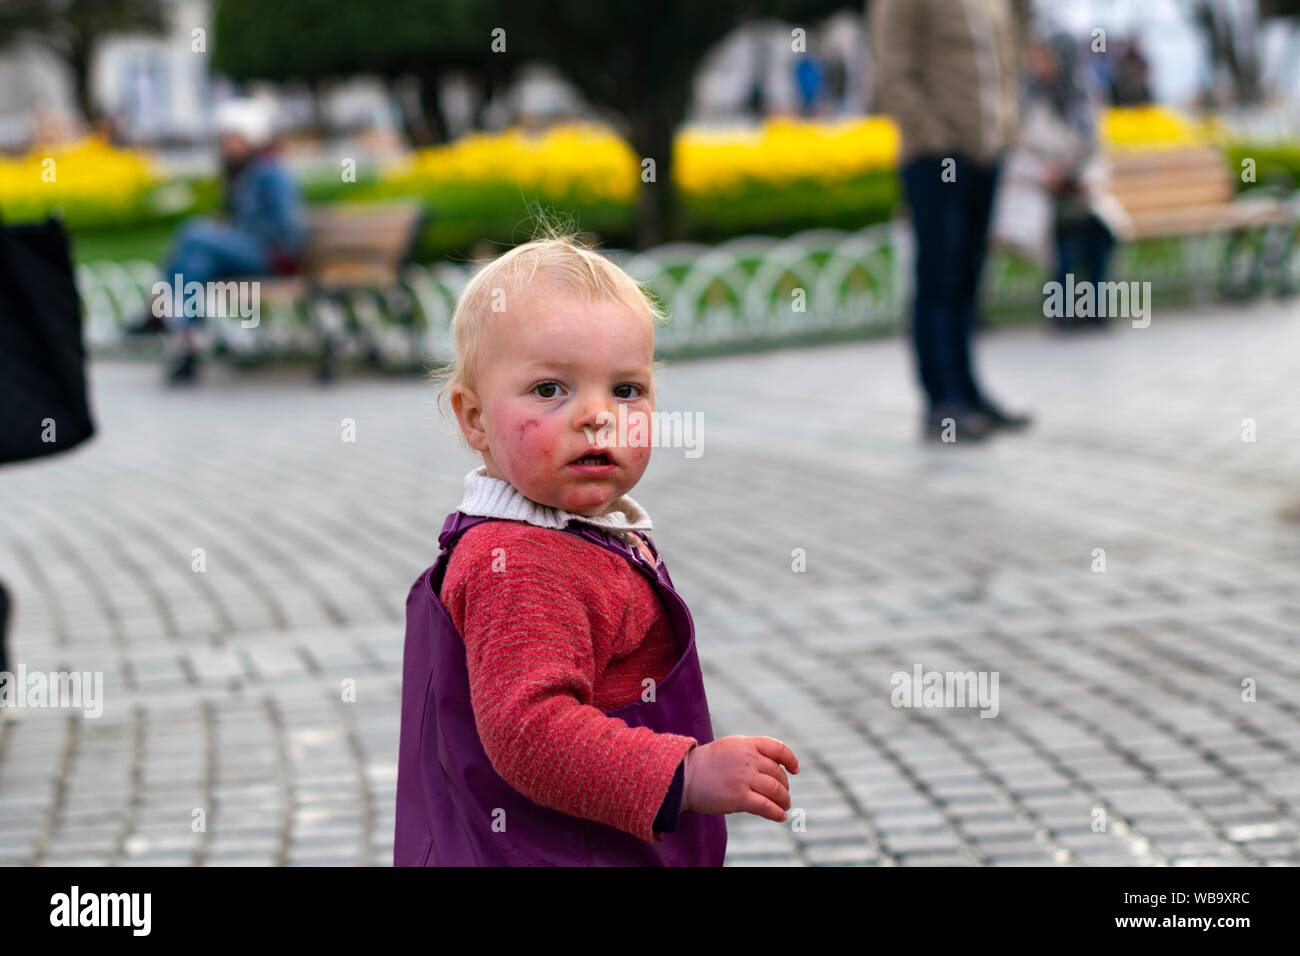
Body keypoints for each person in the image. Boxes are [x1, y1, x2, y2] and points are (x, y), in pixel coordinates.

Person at [393, 230, 800, 866]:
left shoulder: (568, 532)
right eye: (551, 390)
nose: (597, 415)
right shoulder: (521, 562)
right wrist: (685, 773)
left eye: (626, 390)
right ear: (473, 418)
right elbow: (531, 732)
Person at [870, 0, 1033, 442]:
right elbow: (892, 74)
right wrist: (935, 138)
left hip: (986, 153)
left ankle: (967, 390)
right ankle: (941, 404)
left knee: (967, 276)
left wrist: (1007, 127)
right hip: (936, 157)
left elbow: (1007, 61)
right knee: (938, 277)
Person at [128, 98, 306, 384]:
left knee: (193, 232)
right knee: (196, 263)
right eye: (225, 139)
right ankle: (187, 343)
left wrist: (235, 233)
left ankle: (157, 311)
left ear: (251, 138)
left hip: (272, 256)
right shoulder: (241, 172)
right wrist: (228, 230)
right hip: (246, 251)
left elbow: (286, 229)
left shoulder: (271, 173)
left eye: (233, 138)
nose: (227, 145)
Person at [991, 33, 1134, 331]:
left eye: (1045, 57)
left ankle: (1095, 309)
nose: (1038, 64)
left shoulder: (1085, 95)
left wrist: (1085, 179)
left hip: (1079, 190)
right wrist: (1044, 174)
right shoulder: (1023, 100)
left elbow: (1097, 153)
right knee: (1064, 236)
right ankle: (1063, 311)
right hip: (1034, 191)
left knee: (1098, 231)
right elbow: (1011, 155)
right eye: (1036, 58)